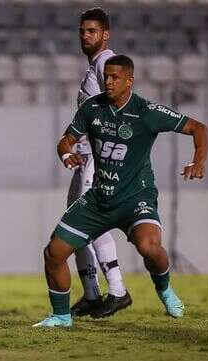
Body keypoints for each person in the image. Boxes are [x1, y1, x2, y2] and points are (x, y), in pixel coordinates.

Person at [34, 55, 208, 327]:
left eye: (116, 77)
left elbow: (198, 128)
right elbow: (66, 140)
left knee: (149, 247)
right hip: (98, 199)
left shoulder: (146, 111)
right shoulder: (92, 108)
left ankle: (164, 289)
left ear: (130, 80)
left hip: (135, 197)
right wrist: (66, 154)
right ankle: (61, 316)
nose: (109, 81)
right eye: (107, 76)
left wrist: (198, 161)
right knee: (54, 252)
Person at [69, 7, 131, 318]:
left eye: (91, 31)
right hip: (84, 157)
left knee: (89, 221)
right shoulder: (93, 66)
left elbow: (120, 105)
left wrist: (104, 148)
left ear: (105, 34)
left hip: (96, 157)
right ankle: (92, 294)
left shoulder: (107, 62)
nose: (85, 36)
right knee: (73, 222)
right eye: (82, 31)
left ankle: (117, 289)